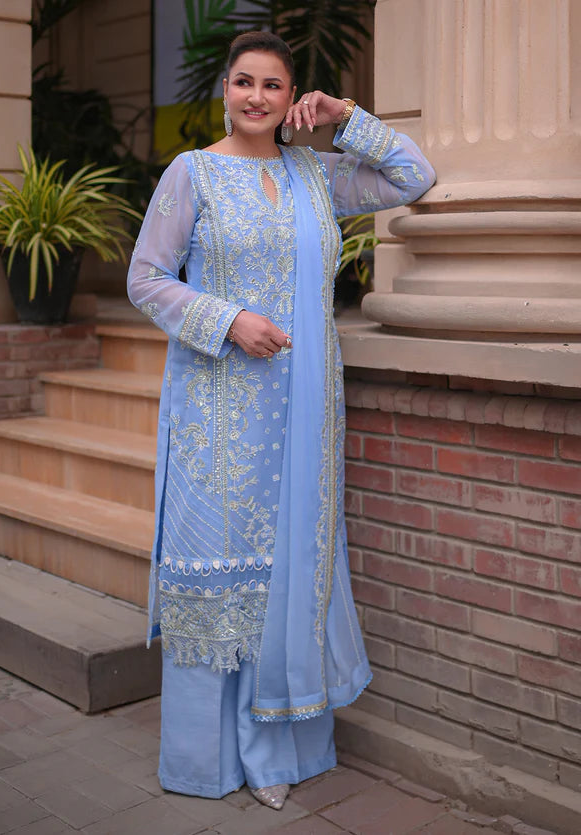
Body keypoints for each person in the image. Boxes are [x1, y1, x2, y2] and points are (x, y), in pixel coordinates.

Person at [127, 30, 435, 811]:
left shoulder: (317, 175)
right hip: (218, 411)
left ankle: (278, 747)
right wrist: (229, 320)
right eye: (244, 81)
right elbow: (146, 279)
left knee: (289, 570)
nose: (257, 97)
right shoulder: (192, 174)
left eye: (273, 85)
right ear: (225, 90)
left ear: (292, 97)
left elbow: (414, 174)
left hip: (304, 412)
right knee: (220, 569)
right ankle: (206, 757)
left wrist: (345, 117)